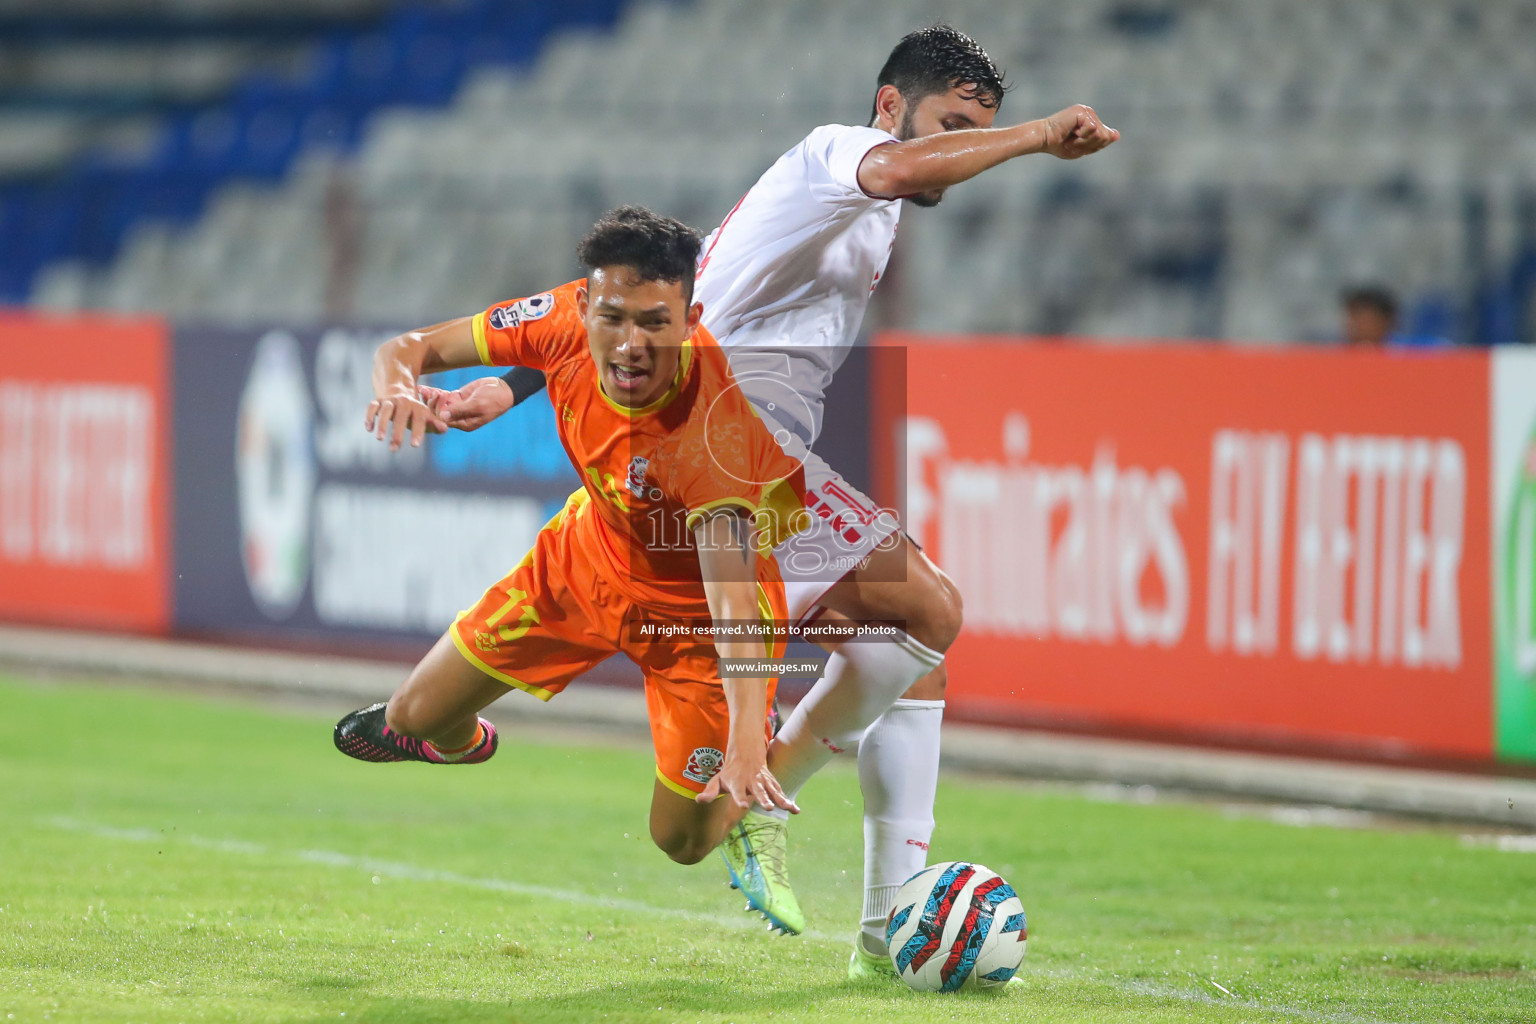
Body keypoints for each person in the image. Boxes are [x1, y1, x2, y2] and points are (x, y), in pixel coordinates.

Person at [420, 26, 1119, 979]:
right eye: (951, 124)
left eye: (977, 129)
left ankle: (879, 935)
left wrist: (518, 386)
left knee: (909, 658)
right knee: (926, 612)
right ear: (889, 107)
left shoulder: (831, 202)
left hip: (740, 463)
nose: (958, 150)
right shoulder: (838, 155)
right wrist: (1037, 137)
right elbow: (888, 174)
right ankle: (762, 790)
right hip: (721, 457)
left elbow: (683, 295)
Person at [332, 207, 816, 869]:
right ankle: (465, 741)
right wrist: (403, 389)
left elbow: (733, 602)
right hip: (585, 564)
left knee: (681, 841)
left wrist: (746, 744)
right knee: (413, 717)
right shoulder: (559, 315)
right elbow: (406, 349)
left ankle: (758, 775)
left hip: (697, 626)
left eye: (655, 324)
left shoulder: (712, 436)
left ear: (691, 321)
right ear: (584, 304)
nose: (630, 345)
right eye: (612, 318)